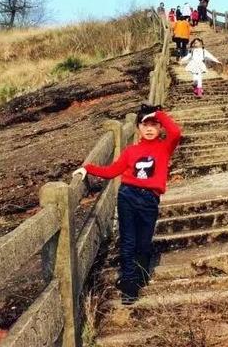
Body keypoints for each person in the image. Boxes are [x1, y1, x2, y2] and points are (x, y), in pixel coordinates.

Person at [73, 104, 181, 304]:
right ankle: (129, 287)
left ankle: (139, 277)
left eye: (154, 124)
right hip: (128, 195)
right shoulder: (131, 151)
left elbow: (175, 131)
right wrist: (87, 168)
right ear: (137, 128)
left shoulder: (165, 147)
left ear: (159, 127)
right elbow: (112, 170)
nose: (149, 128)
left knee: (144, 243)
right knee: (128, 241)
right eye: (144, 124)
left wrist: (157, 113)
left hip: (150, 199)